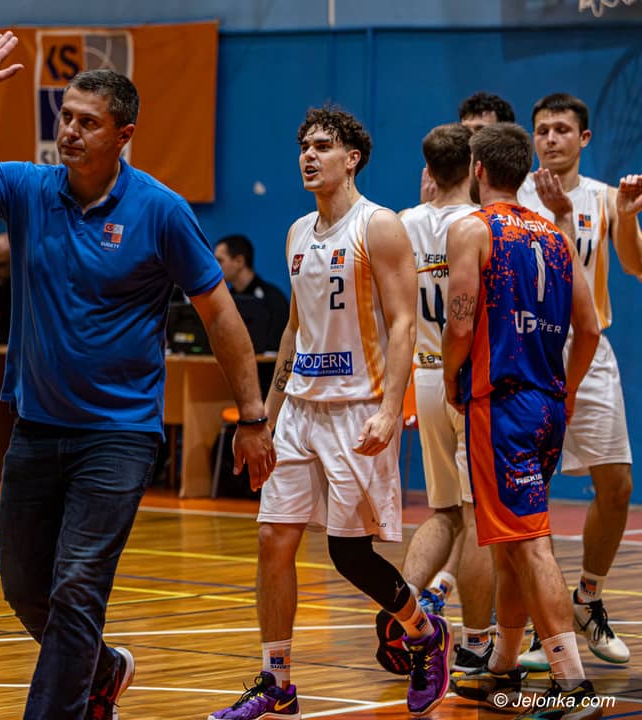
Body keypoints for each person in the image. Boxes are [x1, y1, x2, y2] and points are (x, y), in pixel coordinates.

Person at [0, 34, 273, 720]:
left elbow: (220, 313)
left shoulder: (159, 209)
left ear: (123, 135)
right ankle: (103, 670)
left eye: (87, 122)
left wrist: (252, 418)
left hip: (118, 436)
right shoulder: (27, 189)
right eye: (65, 117)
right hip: (36, 428)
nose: (69, 131)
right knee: (24, 587)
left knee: (76, 588)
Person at [210, 106, 450, 720]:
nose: (309, 156)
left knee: (349, 555)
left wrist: (391, 410)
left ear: (353, 158)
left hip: (358, 409)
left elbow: (405, 323)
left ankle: (423, 635)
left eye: (323, 146)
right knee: (273, 538)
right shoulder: (297, 232)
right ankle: (277, 682)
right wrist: (262, 417)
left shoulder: (380, 226)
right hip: (299, 411)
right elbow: (294, 329)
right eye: (304, 147)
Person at [444, 122, 603, 717]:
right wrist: (568, 392)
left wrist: (454, 380)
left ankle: (572, 684)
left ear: (479, 170)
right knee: (510, 544)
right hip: (547, 405)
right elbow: (589, 329)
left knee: (531, 543)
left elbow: (460, 323)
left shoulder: (472, 229)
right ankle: (504, 666)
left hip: (502, 404)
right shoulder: (556, 236)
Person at [515, 93, 642, 670]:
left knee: (616, 484)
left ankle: (587, 598)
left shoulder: (606, 197)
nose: (551, 139)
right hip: (528, 349)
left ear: (584, 138)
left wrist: (630, 216)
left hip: (589, 346)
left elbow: (635, 265)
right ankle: (544, 626)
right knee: (528, 490)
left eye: (562, 129)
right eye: (542, 129)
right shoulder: (514, 196)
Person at [375, 123, 497, 679]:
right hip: (466, 378)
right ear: (474, 168)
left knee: (442, 511)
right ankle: (476, 643)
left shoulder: (402, 222)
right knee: (478, 517)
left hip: (422, 375)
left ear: (427, 170)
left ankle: (402, 608)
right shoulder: (483, 224)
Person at [422, 92, 516, 203]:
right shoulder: (442, 185)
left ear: (505, 135)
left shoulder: (529, 188)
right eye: (465, 129)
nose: (469, 137)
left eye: (480, 129)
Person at [214, 233, 290, 350]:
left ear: (239, 261)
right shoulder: (225, 299)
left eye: (219, 260)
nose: (214, 266)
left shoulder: (273, 300)